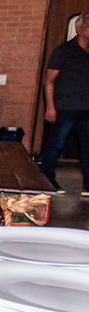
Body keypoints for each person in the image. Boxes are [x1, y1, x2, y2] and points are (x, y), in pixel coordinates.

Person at [40, 12, 89, 194]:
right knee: (55, 145)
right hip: (64, 108)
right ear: (79, 29)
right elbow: (49, 80)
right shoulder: (63, 51)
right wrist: (50, 107)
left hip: (86, 110)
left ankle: (88, 185)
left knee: (87, 148)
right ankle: (47, 180)